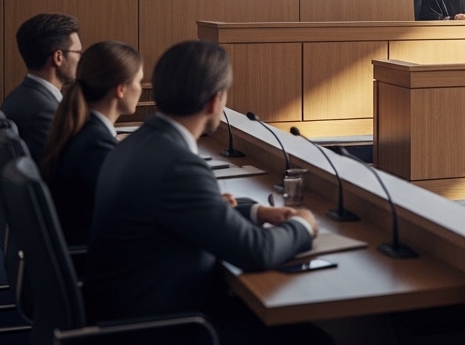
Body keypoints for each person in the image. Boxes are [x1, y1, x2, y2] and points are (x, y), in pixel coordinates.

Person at [85, 40, 318, 339]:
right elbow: (255, 251)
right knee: (308, 338)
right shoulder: (177, 165)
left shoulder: (139, 143)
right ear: (214, 101)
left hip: (127, 308)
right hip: (164, 325)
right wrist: (302, 225)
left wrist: (258, 212)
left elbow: (191, 212)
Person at [41, 41, 143, 246]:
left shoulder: (85, 131)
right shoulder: (95, 146)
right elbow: (138, 211)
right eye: (139, 81)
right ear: (121, 89)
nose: (140, 89)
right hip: (94, 260)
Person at [3, 13, 81, 162]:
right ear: (58, 57)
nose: (80, 59)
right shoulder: (45, 112)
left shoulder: (22, 95)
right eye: (77, 53)